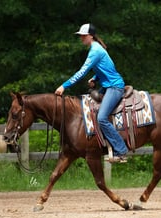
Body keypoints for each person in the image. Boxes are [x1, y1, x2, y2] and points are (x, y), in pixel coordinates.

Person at [55, 23, 128, 163]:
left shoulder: (95, 50)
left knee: (101, 118)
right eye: (80, 36)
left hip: (114, 87)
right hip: (108, 86)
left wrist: (64, 86)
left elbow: (82, 72)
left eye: (83, 36)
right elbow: (108, 69)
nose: (81, 38)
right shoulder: (97, 49)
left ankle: (121, 150)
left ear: (91, 36)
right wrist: (95, 77)